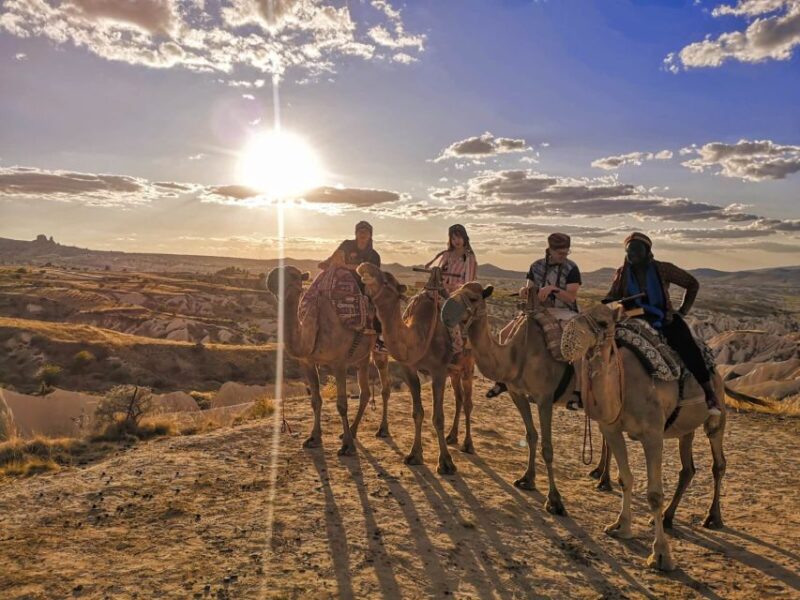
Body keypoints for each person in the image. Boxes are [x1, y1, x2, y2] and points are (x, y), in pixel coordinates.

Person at [604, 232, 722, 416]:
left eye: (637, 250)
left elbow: (692, 284)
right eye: (629, 251)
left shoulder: (663, 269)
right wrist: (610, 303)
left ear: (647, 251)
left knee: (687, 346)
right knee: (605, 343)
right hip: (633, 316)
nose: (632, 254)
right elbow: (613, 295)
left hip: (663, 317)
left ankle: (709, 393)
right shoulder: (622, 273)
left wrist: (682, 311)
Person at [486, 233, 583, 408]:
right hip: (537, 309)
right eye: (560, 253)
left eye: (566, 252)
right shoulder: (536, 266)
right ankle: (504, 378)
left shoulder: (571, 268)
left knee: (574, 342)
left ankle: (578, 390)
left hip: (563, 311)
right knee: (504, 334)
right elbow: (529, 289)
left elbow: (570, 297)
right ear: (550, 250)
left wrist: (553, 289)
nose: (563, 256)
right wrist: (524, 291)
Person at [318, 221, 386, 351]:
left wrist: (346, 266)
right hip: (340, 283)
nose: (362, 234)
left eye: (365, 231)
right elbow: (335, 257)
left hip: (363, 285)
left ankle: (379, 340)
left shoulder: (374, 255)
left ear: (370, 235)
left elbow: (370, 272)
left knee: (378, 304)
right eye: (360, 231)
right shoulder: (347, 245)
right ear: (355, 233)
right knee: (318, 296)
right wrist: (328, 263)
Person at [426, 224, 478, 362]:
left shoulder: (469, 258)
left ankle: (457, 348)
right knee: (419, 301)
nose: (456, 241)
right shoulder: (446, 254)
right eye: (453, 238)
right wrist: (436, 274)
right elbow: (436, 269)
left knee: (448, 310)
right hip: (439, 290)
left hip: (459, 295)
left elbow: (468, 283)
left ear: (465, 238)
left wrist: (449, 287)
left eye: (459, 237)